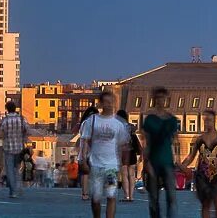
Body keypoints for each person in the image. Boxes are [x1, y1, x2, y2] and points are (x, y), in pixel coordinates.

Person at [76, 90, 134, 218]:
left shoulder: (118, 124)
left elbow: (124, 145)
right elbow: (85, 140)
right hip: (95, 164)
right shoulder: (92, 121)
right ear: (101, 103)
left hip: (111, 166)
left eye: (111, 102)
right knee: (96, 198)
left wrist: (123, 162)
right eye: (106, 102)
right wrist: (83, 160)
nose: (109, 105)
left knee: (111, 195)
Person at [139, 91, 181, 218]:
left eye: (162, 98)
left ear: (166, 100)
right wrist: (146, 163)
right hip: (153, 161)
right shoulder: (150, 120)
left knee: (171, 197)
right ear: (154, 100)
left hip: (167, 161)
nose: (160, 101)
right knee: (153, 197)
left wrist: (178, 161)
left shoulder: (172, 120)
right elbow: (146, 142)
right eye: (158, 98)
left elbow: (176, 141)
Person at [186, 114, 217, 218]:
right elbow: (191, 156)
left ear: (214, 121)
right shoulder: (199, 139)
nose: (207, 122)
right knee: (205, 204)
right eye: (206, 120)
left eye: (210, 120)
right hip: (203, 176)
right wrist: (181, 165)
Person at [0, 97, 30, 200]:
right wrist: (23, 138)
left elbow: (0, 133)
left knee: (10, 170)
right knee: (17, 169)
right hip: (19, 147)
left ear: (7, 109)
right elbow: (27, 130)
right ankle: (18, 186)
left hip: (8, 147)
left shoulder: (5, 120)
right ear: (15, 108)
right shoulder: (21, 119)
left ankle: (13, 191)